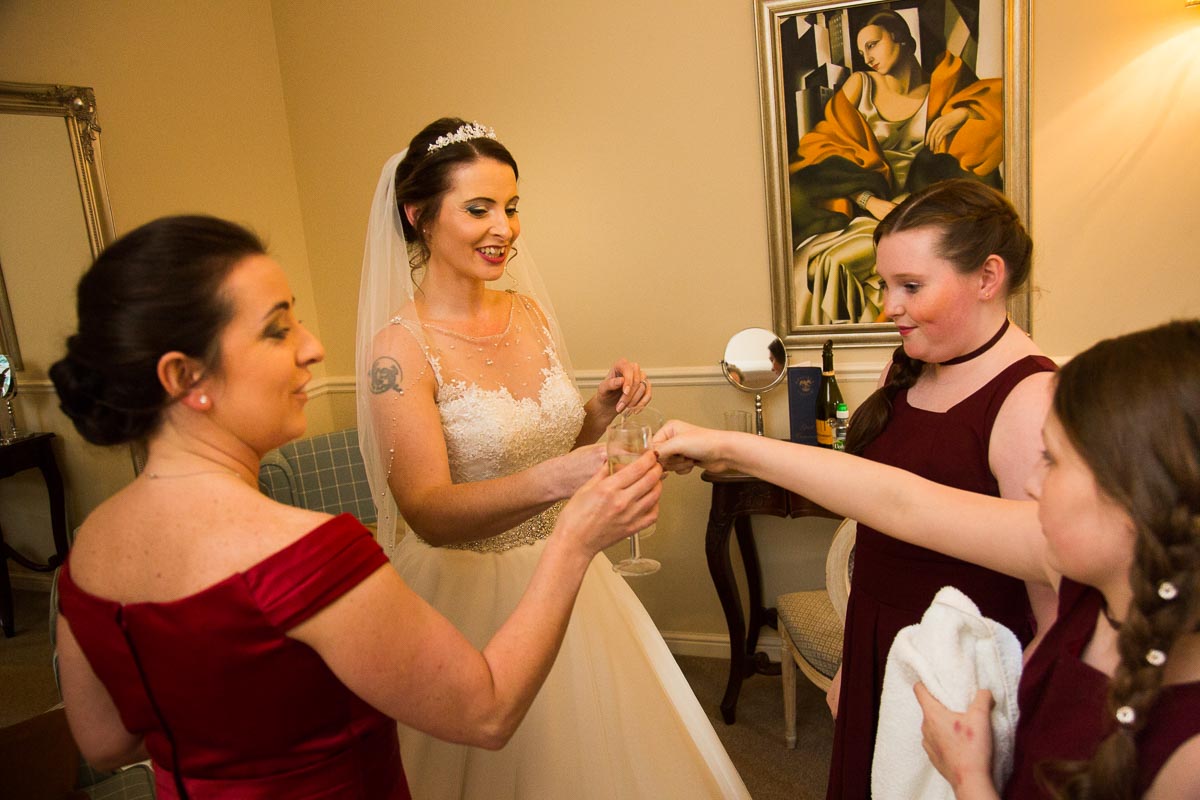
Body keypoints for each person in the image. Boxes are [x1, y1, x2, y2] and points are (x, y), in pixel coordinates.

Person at [48, 215, 662, 799]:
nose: (313, 348)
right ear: (185, 377)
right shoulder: (310, 556)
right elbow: (488, 711)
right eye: (277, 330)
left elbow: (106, 741)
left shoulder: (92, 548)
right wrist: (574, 539)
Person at [356, 118, 750, 799]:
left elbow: (556, 452)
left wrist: (597, 412)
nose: (503, 228)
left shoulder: (529, 314)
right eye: (479, 208)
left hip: (567, 573)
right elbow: (426, 513)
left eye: (511, 207)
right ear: (419, 216)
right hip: (465, 596)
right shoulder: (398, 351)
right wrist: (559, 477)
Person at [653, 318, 1200, 798]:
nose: (1032, 484)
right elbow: (900, 502)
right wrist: (726, 446)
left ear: (1139, 496)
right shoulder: (1085, 577)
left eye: (1053, 463)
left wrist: (969, 778)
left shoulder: (1189, 757)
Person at [824, 179, 1057, 798]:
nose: (889, 307)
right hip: (879, 635)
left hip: (961, 674)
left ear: (988, 277)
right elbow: (878, 535)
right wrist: (855, 659)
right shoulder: (906, 369)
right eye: (884, 286)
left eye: (911, 286)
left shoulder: (1030, 398)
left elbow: (1052, 601)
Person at [789, 9, 1004, 325]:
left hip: (925, 217)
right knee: (825, 262)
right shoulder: (860, 85)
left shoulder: (945, 83)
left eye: (872, 45)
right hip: (874, 214)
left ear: (900, 38)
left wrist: (960, 114)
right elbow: (821, 154)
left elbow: (998, 104)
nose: (867, 57)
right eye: (862, 51)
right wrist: (869, 201)